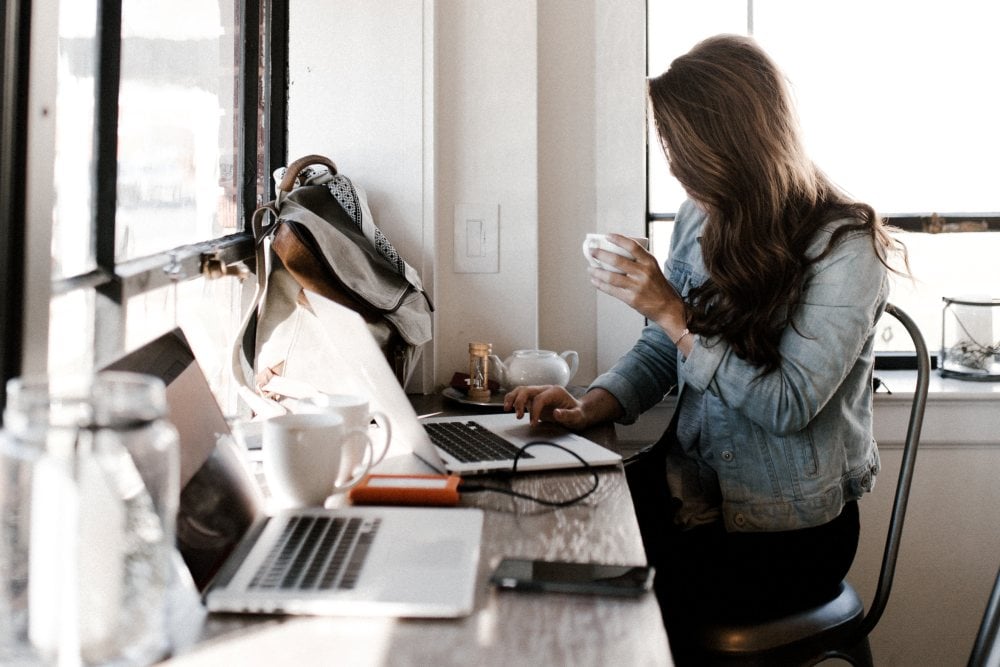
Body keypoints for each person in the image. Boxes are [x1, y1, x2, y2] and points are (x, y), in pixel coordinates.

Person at [503, 33, 908, 658]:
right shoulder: (702, 217)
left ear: (734, 144)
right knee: (536, 541)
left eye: (681, 149)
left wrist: (670, 309)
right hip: (691, 496)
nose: (674, 167)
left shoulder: (845, 248)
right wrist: (594, 404)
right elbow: (666, 347)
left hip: (787, 536)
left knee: (590, 604)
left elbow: (788, 405)